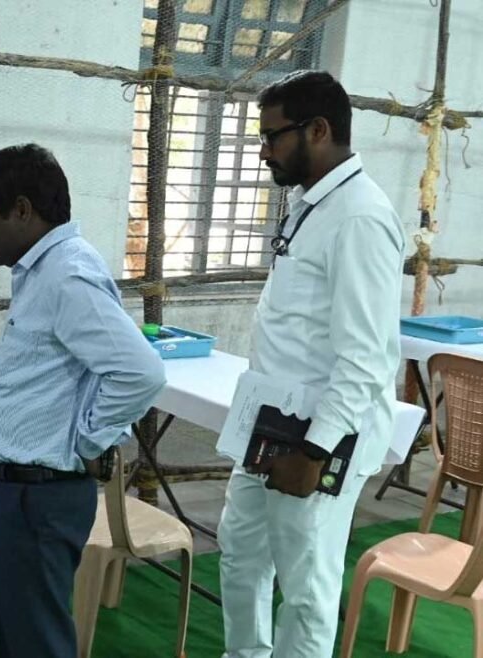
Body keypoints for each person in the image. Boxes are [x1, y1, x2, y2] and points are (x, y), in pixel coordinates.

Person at [0, 144, 166, 658]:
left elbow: (139, 371)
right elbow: (42, 376)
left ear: (22, 210)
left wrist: (91, 440)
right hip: (20, 487)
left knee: (37, 640)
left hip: (40, 496)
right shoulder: (41, 270)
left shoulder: (67, 275)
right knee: (24, 631)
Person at [217, 70, 404, 657]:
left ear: (318, 130)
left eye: (272, 136)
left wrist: (314, 453)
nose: (264, 149)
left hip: (317, 441)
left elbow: (366, 358)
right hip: (270, 425)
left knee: (305, 589)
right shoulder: (310, 204)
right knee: (240, 556)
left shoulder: (360, 217)